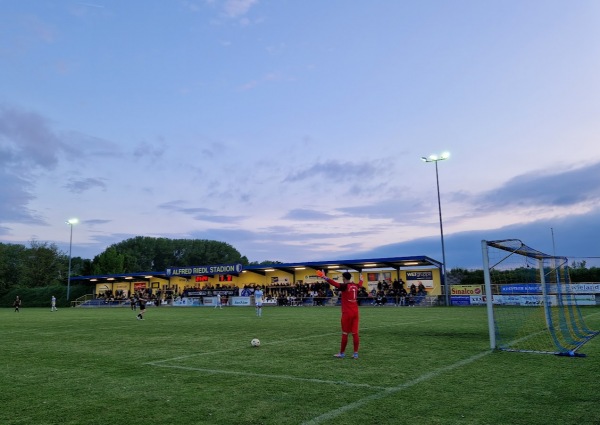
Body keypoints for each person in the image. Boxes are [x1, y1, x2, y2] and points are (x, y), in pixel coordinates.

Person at [317, 270, 363, 359]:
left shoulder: (344, 286)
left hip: (347, 313)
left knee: (345, 333)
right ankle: (355, 353)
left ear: (344, 278)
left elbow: (334, 283)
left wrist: (324, 277)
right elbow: (360, 284)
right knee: (355, 333)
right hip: (355, 312)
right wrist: (361, 279)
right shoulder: (355, 285)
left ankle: (342, 353)